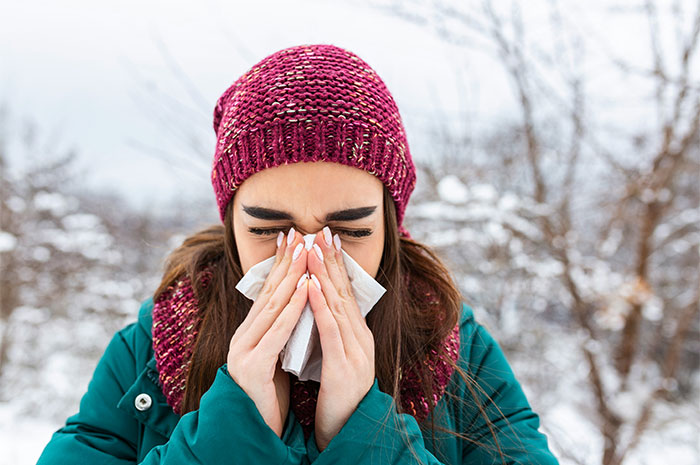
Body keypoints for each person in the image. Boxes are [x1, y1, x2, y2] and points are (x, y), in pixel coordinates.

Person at [36, 43, 560, 464]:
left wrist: (365, 433)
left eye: (350, 232)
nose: (309, 260)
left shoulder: (457, 348)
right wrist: (231, 433)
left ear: (391, 227)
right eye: (270, 230)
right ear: (231, 225)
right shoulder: (148, 351)